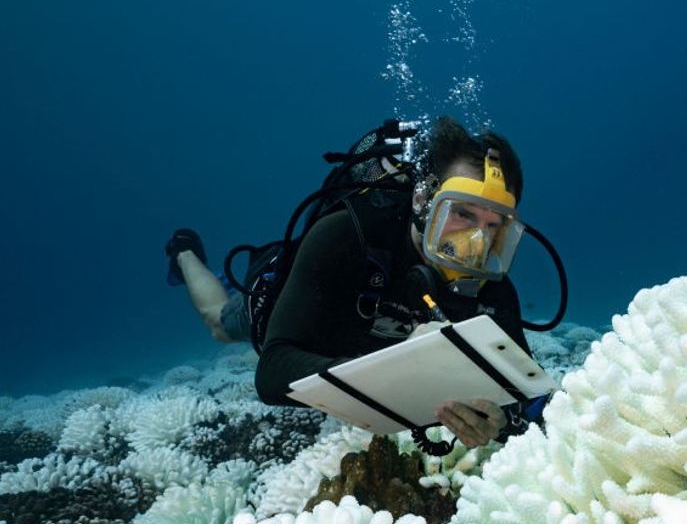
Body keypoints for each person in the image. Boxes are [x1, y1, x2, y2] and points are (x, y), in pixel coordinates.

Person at [164, 117, 535, 448]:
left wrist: (501, 425)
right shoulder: (347, 233)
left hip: (346, 358)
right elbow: (273, 373)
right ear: (423, 199)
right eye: (462, 214)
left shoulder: (494, 287)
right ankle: (184, 254)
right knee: (219, 325)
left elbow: (522, 395)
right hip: (297, 295)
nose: (476, 243)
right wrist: (402, 366)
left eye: (494, 226)